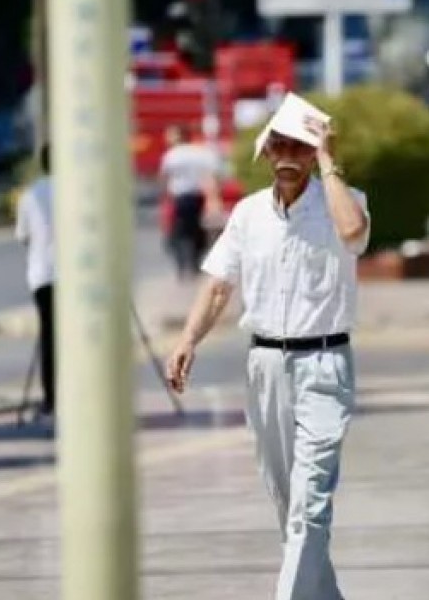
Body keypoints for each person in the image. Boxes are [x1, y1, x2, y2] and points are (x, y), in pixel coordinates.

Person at [166, 94, 371, 600]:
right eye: (278, 145)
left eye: (299, 148)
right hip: (265, 368)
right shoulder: (249, 214)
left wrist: (327, 161)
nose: (287, 157)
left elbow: (353, 233)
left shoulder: (344, 200)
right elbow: (217, 284)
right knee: (289, 506)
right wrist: (188, 338)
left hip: (324, 364)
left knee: (310, 504)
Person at [15, 144, 56, 417]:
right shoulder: (86, 192)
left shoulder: (30, 195)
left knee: (50, 338)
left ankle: (51, 397)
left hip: (44, 275)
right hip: (78, 278)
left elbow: (23, 236)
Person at [158, 126, 222, 282]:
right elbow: (212, 174)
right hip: (197, 197)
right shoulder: (200, 153)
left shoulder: (172, 155)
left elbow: (164, 177)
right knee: (197, 230)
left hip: (179, 198)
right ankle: (194, 262)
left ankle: (182, 265)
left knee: (177, 232)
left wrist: (164, 196)